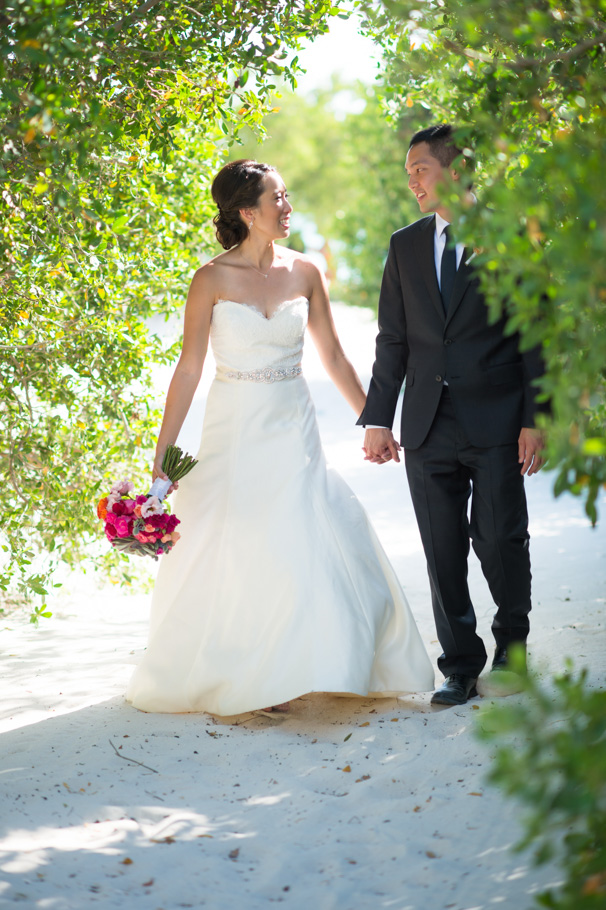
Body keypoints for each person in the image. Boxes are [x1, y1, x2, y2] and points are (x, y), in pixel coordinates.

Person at [126, 159, 434, 716]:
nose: (288, 208)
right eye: (278, 199)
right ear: (247, 212)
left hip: (293, 425)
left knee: (300, 532)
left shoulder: (306, 272)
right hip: (233, 427)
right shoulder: (211, 279)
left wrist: (375, 419)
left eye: (288, 196)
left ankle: (313, 665)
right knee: (238, 540)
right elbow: (189, 369)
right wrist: (162, 460)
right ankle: (247, 671)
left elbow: (335, 357)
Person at [358, 125, 547, 707]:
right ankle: (459, 665)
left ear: (456, 170)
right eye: (408, 169)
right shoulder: (405, 244)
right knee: (442, 549)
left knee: (500, 539)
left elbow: (535, 337)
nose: (411, 178)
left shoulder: (514, 238)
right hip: (426, 424)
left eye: (420, 167)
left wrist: (535, 417)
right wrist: (377, 418)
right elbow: (394, 339)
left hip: (497, 420)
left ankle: (512, 646)